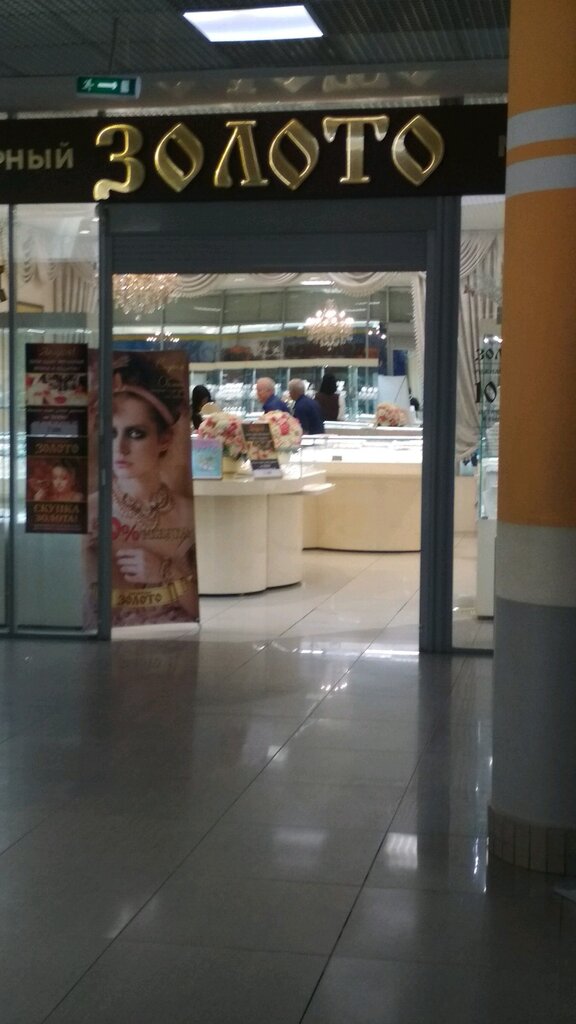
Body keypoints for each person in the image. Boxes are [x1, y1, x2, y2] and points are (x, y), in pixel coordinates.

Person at [85, 352, 198, 627]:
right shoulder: (89, 511)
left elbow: (195, 609)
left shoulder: (185, 512)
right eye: (111, 433)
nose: (120, 449)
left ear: (164, 439)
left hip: (174, 643)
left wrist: (166, 571)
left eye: (136, 433)